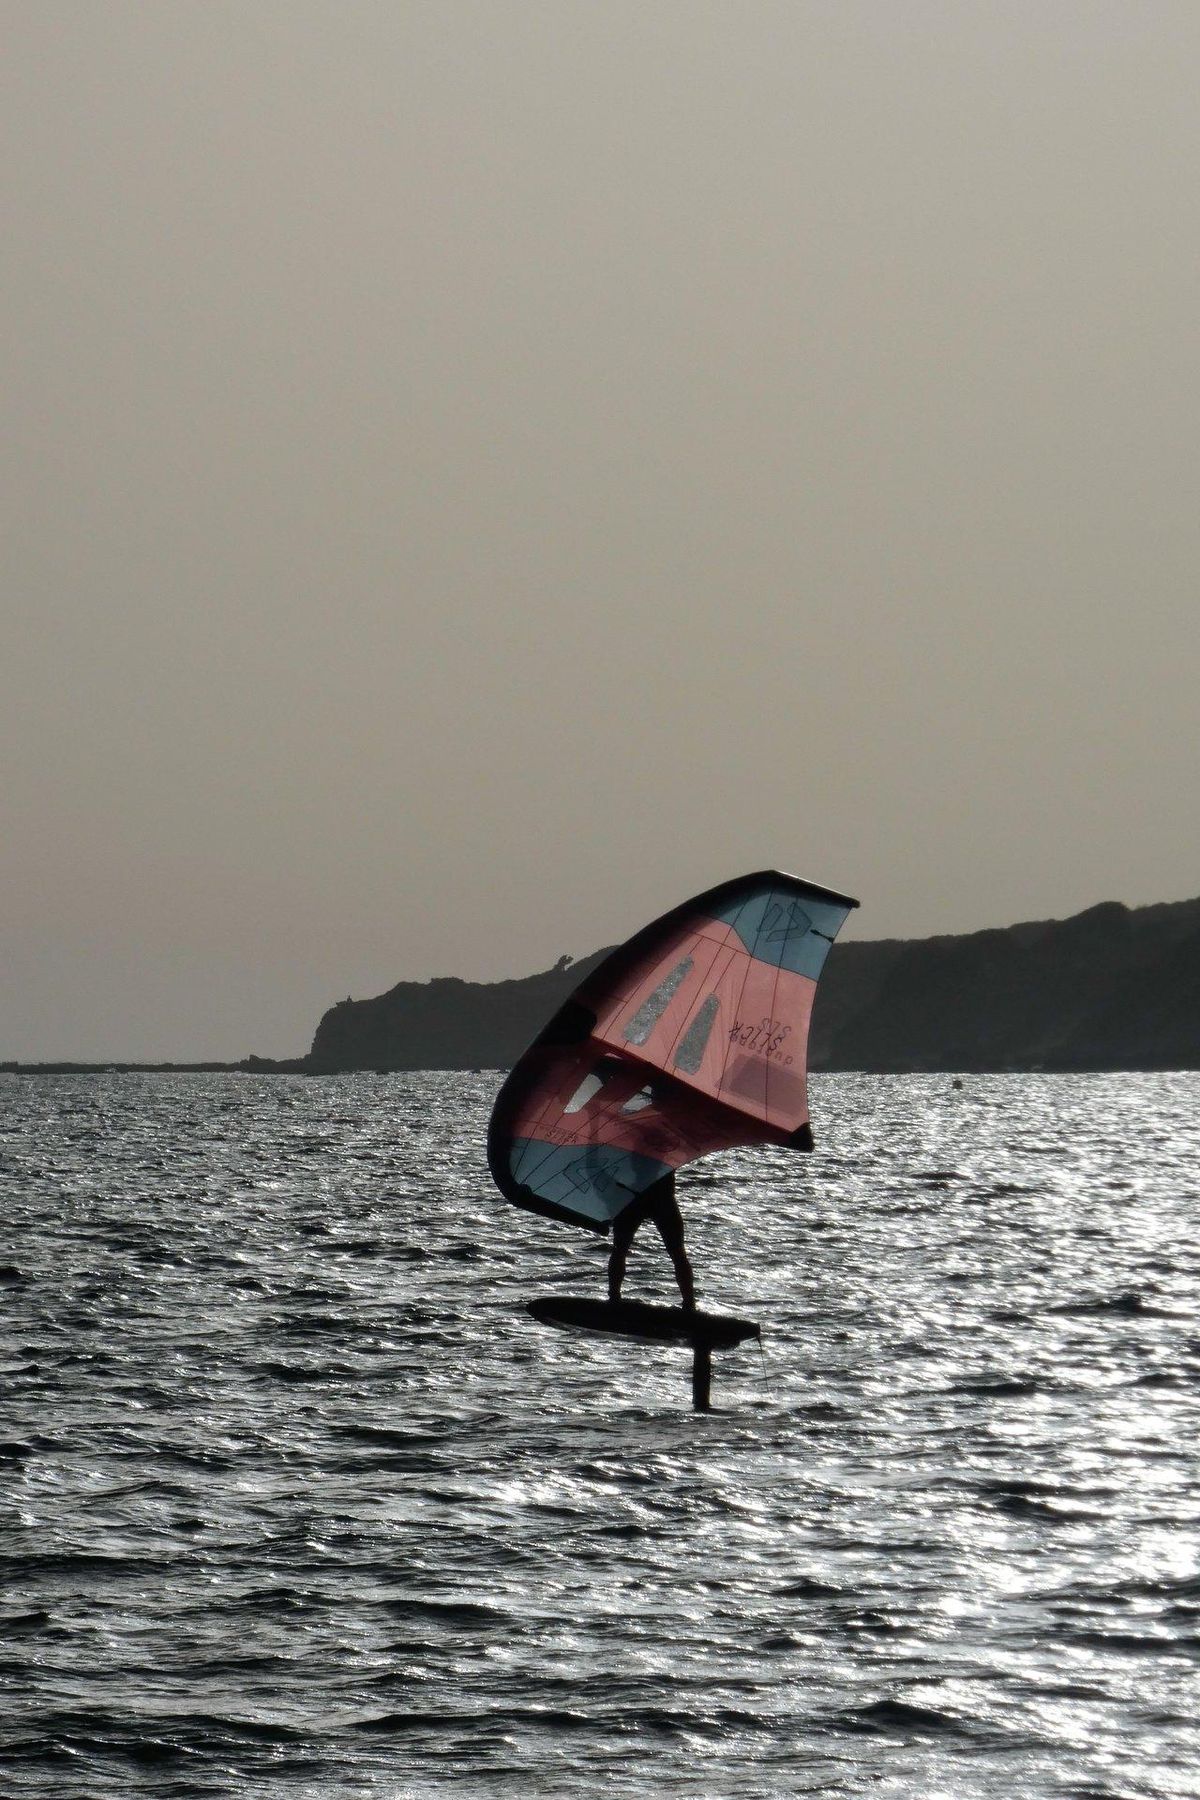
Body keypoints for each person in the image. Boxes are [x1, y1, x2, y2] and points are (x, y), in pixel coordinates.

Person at [607, 1170, 696, 1311]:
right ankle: (689, 1304)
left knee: (620, 1249)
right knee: (677, 1253)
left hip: (641, 1197)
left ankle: (614, 1298)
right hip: (650, 1196)